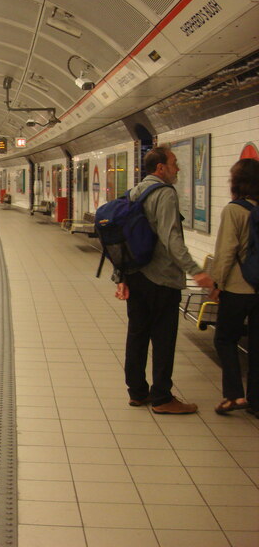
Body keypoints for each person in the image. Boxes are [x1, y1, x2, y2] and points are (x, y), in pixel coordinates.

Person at [114, 148, 214, 414]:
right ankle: (161, 398)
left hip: (135, 276)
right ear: (160, 168)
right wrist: (196, 271)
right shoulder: (165, 194)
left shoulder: (134, 192)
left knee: (136, 335)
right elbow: (171, 239)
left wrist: (121, 276)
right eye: (174, 164)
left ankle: (137, 392)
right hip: (161, 279)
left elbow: (122, 240)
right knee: (163, 338)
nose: (178, 169)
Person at [209, 158, 259, 416]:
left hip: (239, 288)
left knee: (225, 339)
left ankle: (234, 395)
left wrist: (217, 283)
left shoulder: (234, 210)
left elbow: (226, 251)